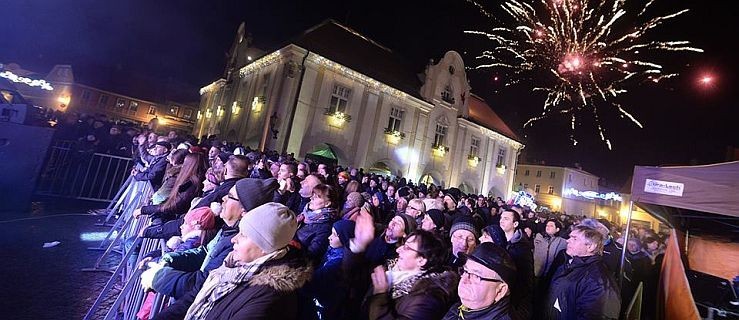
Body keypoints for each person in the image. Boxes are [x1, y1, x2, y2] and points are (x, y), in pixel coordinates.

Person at [181, 202, 311, 319]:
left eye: (244, 235)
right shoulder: (233, 265)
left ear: (265, 247)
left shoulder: (271, 298)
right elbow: (194, 296)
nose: (233, 239)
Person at [366, 229, 459, 319]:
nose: (398, 250)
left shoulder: (427, 298)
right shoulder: (391, 270)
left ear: (421, 261)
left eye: (407, 248)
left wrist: (380, 296)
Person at [545, 225, 621, 319]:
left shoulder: (598, 280)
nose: (568, 240)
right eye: (569, 237)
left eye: (574, 238)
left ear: (590, 246)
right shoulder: (568, 265)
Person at [443, 242, 517, 320]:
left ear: (500, 291)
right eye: (465, 271)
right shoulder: (459, 309)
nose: (464, 280)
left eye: (476, 276)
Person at [499, 209, 534, 319]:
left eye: (506, 218)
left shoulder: (521, 247)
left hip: (513, 299)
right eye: (501, 218)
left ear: (515, 224)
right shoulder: (503, 241)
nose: (501, 221)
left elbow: (525, 278)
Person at [295, 184, 339, 264]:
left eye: (316, 197)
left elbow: (311, 255)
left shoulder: (325, 227)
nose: (311, 198)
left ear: (327, 203)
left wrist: (293, 245)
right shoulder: (305, 214)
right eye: (312, 195)